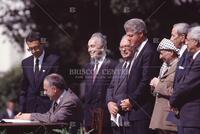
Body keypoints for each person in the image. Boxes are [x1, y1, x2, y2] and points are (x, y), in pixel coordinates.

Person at [119, 18, 159, 134]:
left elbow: (146, 80)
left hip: (143, 111)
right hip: (134, 112)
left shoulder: (149, 52)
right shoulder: (138, 51)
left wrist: (131, 101)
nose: (128, 39)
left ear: (141, 34)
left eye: (131, 35)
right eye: (127, 35)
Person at [15, 73, 82, 123]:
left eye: (46, 90)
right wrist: (26, 116)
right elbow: (48, 115)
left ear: (54, 89)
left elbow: (54, 119)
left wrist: (30, 116)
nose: (44, 93)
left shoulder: (69, 101)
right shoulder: (58, 98)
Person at [84, 32, 117, 134]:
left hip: (106, 119)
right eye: (88, 47)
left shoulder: (113, 66)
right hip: (90, 119)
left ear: (102, 47)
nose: (89, 49)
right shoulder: (88, 67)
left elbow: (113, 91)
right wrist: (86, 119)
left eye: (92, 46)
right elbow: (88, 95)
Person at [20, 32, 60, 113]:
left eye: (36, 47)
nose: (33, 51)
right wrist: (21, 110)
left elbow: (58, 88)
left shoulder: (54, 60)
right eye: (30, 48)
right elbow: (24, 90)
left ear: (42, 44)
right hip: (30, 110)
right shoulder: (25, 63)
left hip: (48, 110)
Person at [170, 26, 200, 134]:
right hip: (186, 117)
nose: (186, 43)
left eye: (188, 40)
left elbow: (187, 84)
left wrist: (173, 100)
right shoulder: (194, 57)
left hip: (193, 118)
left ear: (196, 42)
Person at [107, 35, 135, 134]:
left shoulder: (136, 65)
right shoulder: (119, 66)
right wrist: (109, 102)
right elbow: (110, 87)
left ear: (133, 46)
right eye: (121, 47)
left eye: (126, 46)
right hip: (116, 115)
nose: (123, 49)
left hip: (130, 114)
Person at [149, 38, 179, 134]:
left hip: (170, 118)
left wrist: (158, 84)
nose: (160, 57)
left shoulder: (179, 67)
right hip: (160, 118)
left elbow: (176, 91)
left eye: (162, 53)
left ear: (171, 52)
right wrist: (154, 86)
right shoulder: (165, 67)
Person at [167, 23, 190, 134]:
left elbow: (185, 82)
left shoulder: (189, 54)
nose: (170, 39)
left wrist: (174, 100)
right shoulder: (181, 53)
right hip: (176, 108)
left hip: (185, 109)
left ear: (182, 37)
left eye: (173, 36)